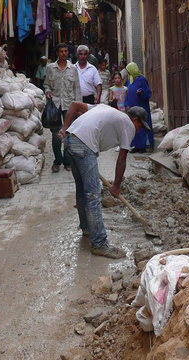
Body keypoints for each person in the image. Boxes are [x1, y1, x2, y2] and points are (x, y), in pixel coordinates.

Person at [57, 102, 151, 258]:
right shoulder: (128, 124)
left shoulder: (105, 108)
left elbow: (74, 105)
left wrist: (64, 128)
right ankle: (99, 243)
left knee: (82, 190)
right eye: (140, 126)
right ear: (135, 120)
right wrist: (116, 186)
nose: (138, 130)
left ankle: (87, 228)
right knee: (94, 195)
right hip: (84, 145)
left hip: (69, 140)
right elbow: (121, 159)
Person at [44, 42, 83, 173]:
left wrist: (79, 108)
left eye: (66, 51)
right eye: (61, 51)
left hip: (69, 105)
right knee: (56, 134)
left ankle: (67, 161)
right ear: (57, 53)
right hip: (55, 104)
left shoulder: (73, 69)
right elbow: (46, 85)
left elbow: (77, 89)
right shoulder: (50, 68)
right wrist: (47, 91)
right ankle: (57, 160)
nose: (64, 53)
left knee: (67, 133)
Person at [124, 62, 154, 153]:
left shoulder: (142, 79)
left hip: (141, 108)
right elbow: (127, 93)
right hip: (132, 108)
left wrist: (141, 92)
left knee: (141, 125)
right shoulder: (130, 80)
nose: (128, 73)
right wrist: (126, 104)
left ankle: (143, 146)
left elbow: (148, 93)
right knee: (134, 126)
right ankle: (136, 145)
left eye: (129, 71)